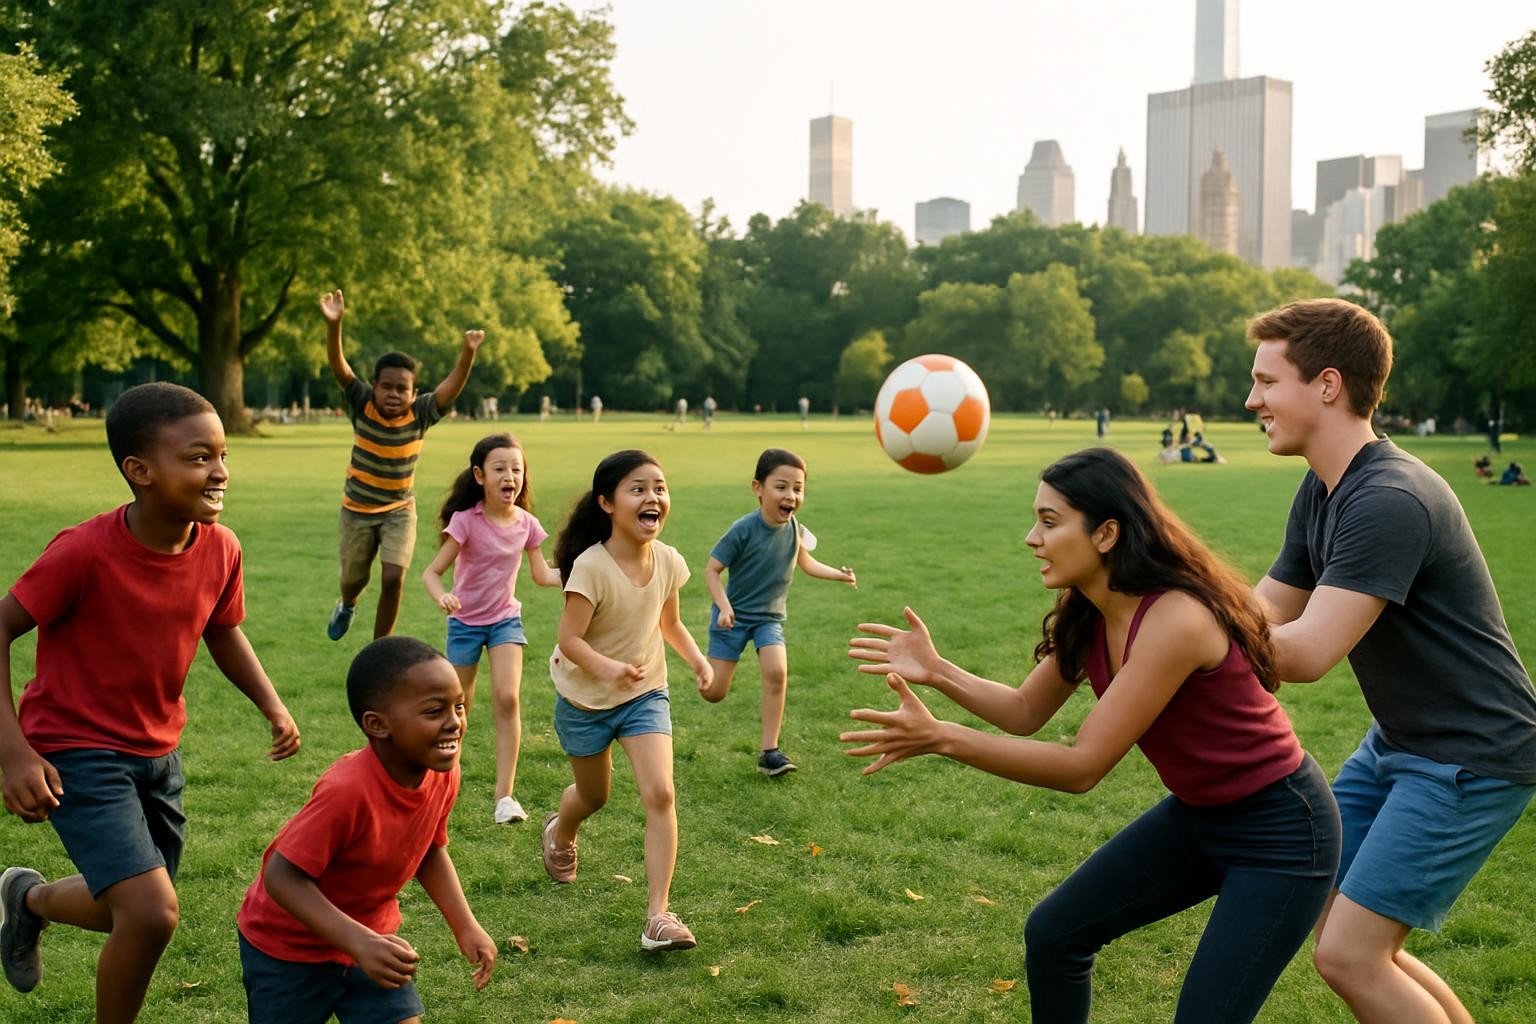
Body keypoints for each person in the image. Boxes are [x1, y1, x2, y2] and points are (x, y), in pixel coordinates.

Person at [843, 447, 1340, 1024]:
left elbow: (1082, 767)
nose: (1033, 537)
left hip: (1283, 831)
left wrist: (942, 737)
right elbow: (1026, 710)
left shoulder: (1176, 619)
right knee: (1055, 934)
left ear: (1107, 533)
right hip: (1202, 815)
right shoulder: (1089, 612)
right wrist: (938, 669)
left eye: (1050, 522)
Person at [1244, 298, 1536, 1024]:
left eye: (1266, 382)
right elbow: (1260, 614)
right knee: (1335, 920)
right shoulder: (1322, 490)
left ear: (1328, 385)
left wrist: (1188, 640)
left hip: (1471, 758)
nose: (1252, 400)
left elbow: (1306, 652)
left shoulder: (1389, 499)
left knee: (1350, 954)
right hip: (1400, 744)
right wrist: (1166, 610)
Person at [0, 382, 302, 1021]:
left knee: (129, 909)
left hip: (157, 753)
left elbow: (221, 627)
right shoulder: (83, 551)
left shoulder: (221, 548)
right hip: (75, 750)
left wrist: (272, 705)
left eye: (222, 455)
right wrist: (15, 754)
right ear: (140, 471)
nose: (218, 471)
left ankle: (26, 900)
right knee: (151, 912)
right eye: (197, 457)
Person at [235, 637, 496, 1024]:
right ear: (377, 725)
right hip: (289, 949)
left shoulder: (443, 775)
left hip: (374, 941)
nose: (455, 721)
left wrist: (465, 925)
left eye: (459, 706)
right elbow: (281, 875)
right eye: (434, 710)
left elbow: (429, 850)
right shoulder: (347, 791)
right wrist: (357, 941)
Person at [542, 450, 711, 952]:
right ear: (607, 503)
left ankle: (658, 915)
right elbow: (570, 640)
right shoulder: (592, 566)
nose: (653, 496)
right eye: (637, 488)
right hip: (585, 698)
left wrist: (699, 662)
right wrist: (608, 667)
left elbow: (671, 624)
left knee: (660, 793)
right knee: (593, 796)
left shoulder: (668, 560)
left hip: (644, 694)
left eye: (659, 487)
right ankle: (560, 829)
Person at [321, 289, 485, 642]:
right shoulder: (362, 403)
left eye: (402, 389)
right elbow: (340, 367)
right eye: (387, 387)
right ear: (374, 387)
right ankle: (348, 603)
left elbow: (449, 389)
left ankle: (380, 648)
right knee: (353, 578)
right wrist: (334, 326)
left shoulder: (420, 414)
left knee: (394, 577)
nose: (393, 394)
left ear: (414, 393)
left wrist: (466, 354)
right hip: (357, 510)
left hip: (398, 510)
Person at [422, 434, 562, 825]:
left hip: (504, 621)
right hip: (465, 623)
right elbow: (431, 573)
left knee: (507, 698)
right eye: (500, 469)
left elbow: (541, 575)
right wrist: (443, 596)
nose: (510, 476)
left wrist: (579, 572)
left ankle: (505, 798)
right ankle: (442, 784)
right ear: (480, 475)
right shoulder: (466, 521)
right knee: (457, 707)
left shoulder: (527, 525)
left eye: (516, 469)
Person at [698, 449, 856, 776]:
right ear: (758, 488)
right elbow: (712, 570)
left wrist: (838, 574)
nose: (791, 496)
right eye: (781, 487)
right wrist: (724, 607)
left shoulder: (795, 529)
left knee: (777, 673)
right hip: (732, 619)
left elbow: (806, 562)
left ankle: (770, 752)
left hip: (768, 619)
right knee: (714, 693)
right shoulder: (743, 529)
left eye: (798, 489)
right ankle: (698, 665)